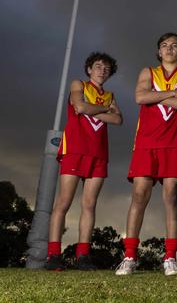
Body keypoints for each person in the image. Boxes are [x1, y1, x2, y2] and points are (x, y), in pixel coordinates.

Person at [115, 33, 177, 276]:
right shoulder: (147, 73)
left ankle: (170, 257)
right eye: (164, 45)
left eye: (174, 45)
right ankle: (129, 255)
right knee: (139, 195)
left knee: (171, 196)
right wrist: (173, 94)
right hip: (146, 142)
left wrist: (159, 95)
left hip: (175, 143)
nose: (169, 48)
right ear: (159, 52)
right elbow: (141, 97)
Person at [46, 52, 122, 271]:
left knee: (89, 204)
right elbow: (80, 107)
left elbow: (118, 119)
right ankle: (53, 255)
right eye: (98, 66)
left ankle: (83, 255)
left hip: (98, 153)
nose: (102, 70)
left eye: (106, 68)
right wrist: (104, 110)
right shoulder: (78, 84)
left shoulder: (109, 95)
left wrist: (95, 108)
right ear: (89, 69)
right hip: (75, 149)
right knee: (64, 202)